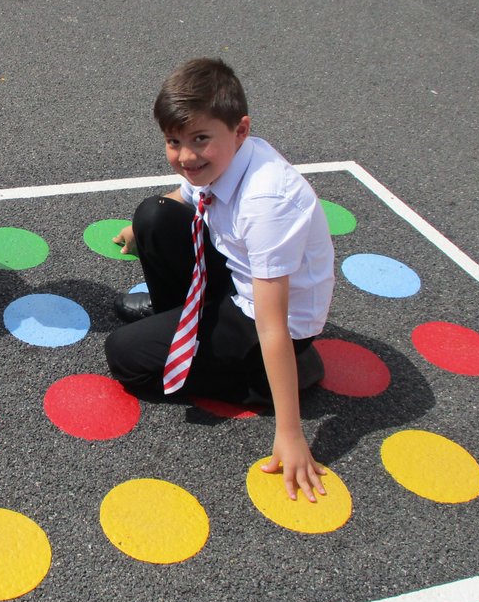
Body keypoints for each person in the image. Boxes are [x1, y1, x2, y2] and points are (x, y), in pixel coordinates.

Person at [105, 57, 335, 502]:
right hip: (238, 283)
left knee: (126, 357)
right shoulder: (223, 159)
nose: (186, 156)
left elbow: (271, 322)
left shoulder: (266, 200)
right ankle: (181, 321)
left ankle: (269, 383)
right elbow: (186, 197)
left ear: (241, 130)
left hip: (271, 323)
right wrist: (142, 230)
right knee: (155, 213)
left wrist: (290, 432)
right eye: (174, 141)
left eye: (200, 140)